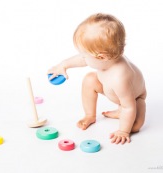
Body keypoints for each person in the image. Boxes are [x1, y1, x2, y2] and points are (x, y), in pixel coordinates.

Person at [47, 13, 147, 144]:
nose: (82, 58)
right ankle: (90, 115)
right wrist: (63, 65)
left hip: (134, 100)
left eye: (84, 55)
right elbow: (82, 60)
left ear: (101, 57)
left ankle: (120, 112)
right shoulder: (105, 60)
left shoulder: (120, 78)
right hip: (112, 90)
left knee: (134, 127)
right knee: (90, 79)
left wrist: (123, 131)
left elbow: (129, 107)